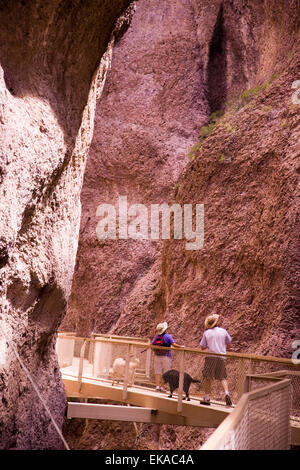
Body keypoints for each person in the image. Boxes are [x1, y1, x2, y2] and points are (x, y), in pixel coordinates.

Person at [199, 313, 232, 406]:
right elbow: (229, 343)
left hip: (211, 357)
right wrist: (225, 348)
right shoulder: (223, 331)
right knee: (222, 377)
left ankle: (207, 397)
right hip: (222, 356)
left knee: (207, 377)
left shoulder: (207, 333)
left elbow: (202, 347)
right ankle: (227, 394)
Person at [152, 321, 184, 392]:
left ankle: (157, 386)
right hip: (166, 356)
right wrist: (181, 347)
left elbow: (152, 344)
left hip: (157, 356)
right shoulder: (168, 336)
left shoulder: (156, 336)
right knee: (166, 372)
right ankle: (162, 387)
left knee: (158, 371)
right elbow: (174, 344)